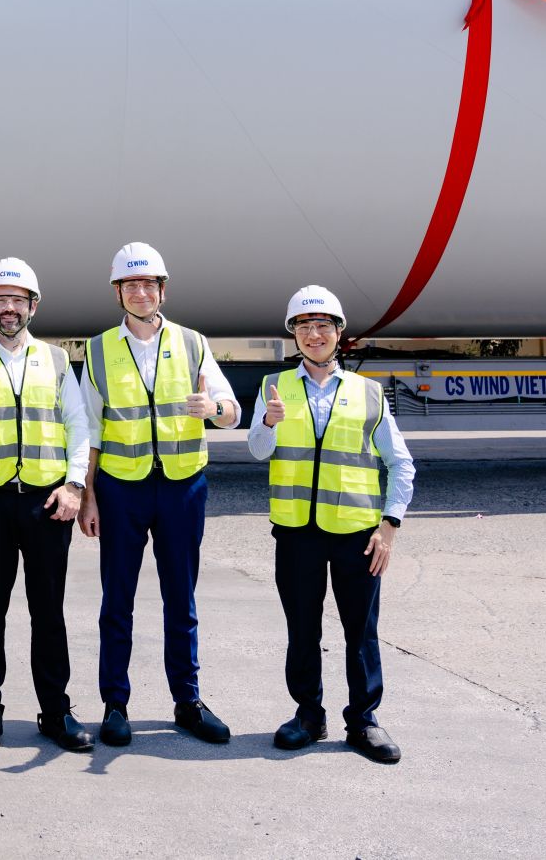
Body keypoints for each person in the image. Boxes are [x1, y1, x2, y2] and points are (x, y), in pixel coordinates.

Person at [78, 243, 240, 748]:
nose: (140, 292)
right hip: (121, 489)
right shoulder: (98, 350)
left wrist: (212, 408)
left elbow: (232, 411)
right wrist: (88, 496)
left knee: (181, 598)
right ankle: (115, 704)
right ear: (118, 292)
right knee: (116, 600)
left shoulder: (193, 343)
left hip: (181, 487)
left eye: (148, 284)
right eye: (131, 285)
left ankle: (187, 701)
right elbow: (89, 430)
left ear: (162, 290)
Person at [250, 285, 416, 765]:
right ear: (294, 335)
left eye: (323, 325)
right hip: (296, 532)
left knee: (360, 632)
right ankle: (308, 716)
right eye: (304, 326)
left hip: (357, 535)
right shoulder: (273, 386)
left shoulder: (368, 392)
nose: (314, 334)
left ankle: (364, 721)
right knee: (302, 628)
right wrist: (268, 422)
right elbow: (258, 450)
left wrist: (389, 526)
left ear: (339, 333)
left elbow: (401, 463)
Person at [0, 257, 94, 752]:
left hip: (46, 503)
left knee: (48, 610)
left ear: (33, 306)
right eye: (0, 299)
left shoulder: (56, 359)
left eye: (18, 300)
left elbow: (77, 424)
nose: (9, 308)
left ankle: (56, 711)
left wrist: (74, 486)